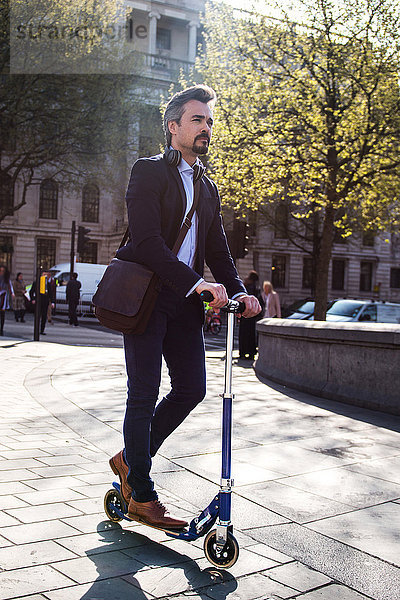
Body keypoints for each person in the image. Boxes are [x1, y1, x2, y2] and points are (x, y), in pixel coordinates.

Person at [109, 84, 261, 530]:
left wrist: (238, 291)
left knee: (192, 388)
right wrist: (198, 284)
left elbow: (218, 248)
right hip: (146, 298)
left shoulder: (208, 188)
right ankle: (142, 493)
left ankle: (130, 460)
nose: (206, 128)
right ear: (173, 126)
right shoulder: (148, 171)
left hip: (184, 304)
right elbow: (147, 242)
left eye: (209, 121)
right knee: (144, 391)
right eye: (197, 120)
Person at [238, 270, 264, 360]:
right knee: (251, 335)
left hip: (245, 314)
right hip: (253, 315)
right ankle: (251, 353)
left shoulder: (247, 288)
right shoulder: (257, 289)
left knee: (244, 334)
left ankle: (243, 352)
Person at [0, 265, 14, 335]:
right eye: (1, 271)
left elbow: (10, 286)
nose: (1, 272)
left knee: (2, 314)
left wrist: (12, 293)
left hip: (3, 296)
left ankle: (1, 329)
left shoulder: (6, 279)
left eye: (3, 271)